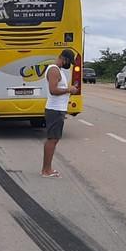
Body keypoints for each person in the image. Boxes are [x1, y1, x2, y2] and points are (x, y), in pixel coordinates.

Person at [41, 48, 78, 178]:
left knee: (54, 140)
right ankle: (46, 170)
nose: (70, 65)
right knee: (52, 140)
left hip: (58, 109)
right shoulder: (54, 70)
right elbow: (53, 90)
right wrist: (69, 89)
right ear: (64, 58)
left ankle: (47, 168)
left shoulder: (58, 70)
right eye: (69, 62)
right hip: (54, 109)